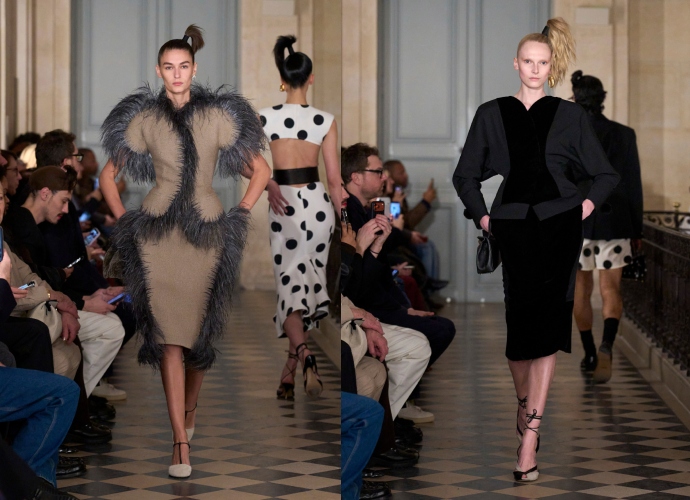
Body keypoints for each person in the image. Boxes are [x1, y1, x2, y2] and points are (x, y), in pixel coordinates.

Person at [99, 24, 270, 479]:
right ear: (158, 71)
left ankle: (190, 409)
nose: (177, 74)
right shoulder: (145, 119)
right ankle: (179, 440)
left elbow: (261, 169)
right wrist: (124, 221)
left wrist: (241, 211)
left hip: (206, 234)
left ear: (194, 69)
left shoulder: (217, 116)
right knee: (167, 338)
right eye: (169, 67)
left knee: (197, 337)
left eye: (184, 66)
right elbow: (107, 175)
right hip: (156, 238)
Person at [453, 18, 619, 482]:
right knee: (519, 333)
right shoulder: (492, 113)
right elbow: (465, 175)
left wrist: (583, 207)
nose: (534, 68)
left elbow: (606, 174)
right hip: (513, 230)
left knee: (548, 328)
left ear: (551, 67)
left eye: (542, 62)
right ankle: (524, 404)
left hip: (559, 229)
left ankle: (530, 437)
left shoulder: (569, 115)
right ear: (516, 63)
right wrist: (484, 218)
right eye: (527, 61)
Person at [259, 35, 339, 401]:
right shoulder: (325, 120)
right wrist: (345, 219)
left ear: (282, 78)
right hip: (318, 205)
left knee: (290, 285)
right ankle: (294, 367)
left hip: (284, 206)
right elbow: (335, 181)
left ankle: (303, 356)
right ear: (311, 79)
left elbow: (243, 160)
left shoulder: (265, 117)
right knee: (307, 285)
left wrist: (268, 182)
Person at [570, 70, 643, 383]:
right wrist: (636, 230)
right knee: (610, 289)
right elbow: (633, 185)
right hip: (615, 222)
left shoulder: (568, 135)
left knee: (580, 291)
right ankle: (606, 345)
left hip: (578, 223)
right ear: (601, 100)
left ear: (576, 99)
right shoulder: (624, 134)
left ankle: (588, 353)